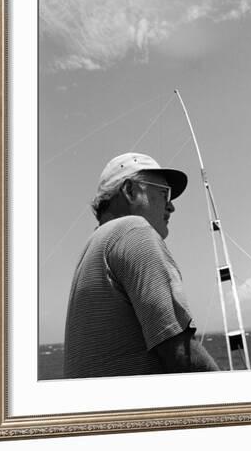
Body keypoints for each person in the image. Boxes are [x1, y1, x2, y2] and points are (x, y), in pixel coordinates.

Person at [63, 152, 220, 378]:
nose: (171, 207)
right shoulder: (132, 230)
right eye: (164, 193)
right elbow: (180, 354)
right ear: (129, 191)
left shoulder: (94, 247)